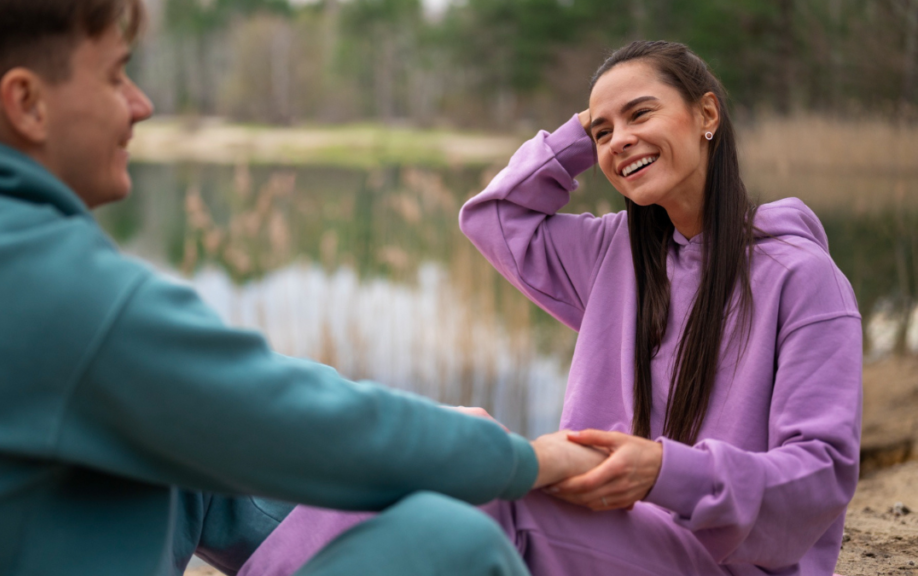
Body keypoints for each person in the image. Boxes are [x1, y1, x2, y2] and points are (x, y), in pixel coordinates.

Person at [0, 1, 606, 575]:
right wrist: (522, 458)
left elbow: (238, 406)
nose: (139, 105)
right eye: (115, 77)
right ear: (27, 104)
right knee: (450, 543)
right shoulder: (43, 286)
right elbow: (315, 429)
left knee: (193, 464)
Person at [236, 41, 863, 576]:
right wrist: (581, 130)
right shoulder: (615, 252)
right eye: (604, 132)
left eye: (641, 113)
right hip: (603, 525)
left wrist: (662, 472)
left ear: (707, 114)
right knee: (440, 449)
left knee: (486, 494)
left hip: (722, 560)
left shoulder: (803, 279)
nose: (621, 140)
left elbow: (822, 476)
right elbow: (494, 218)